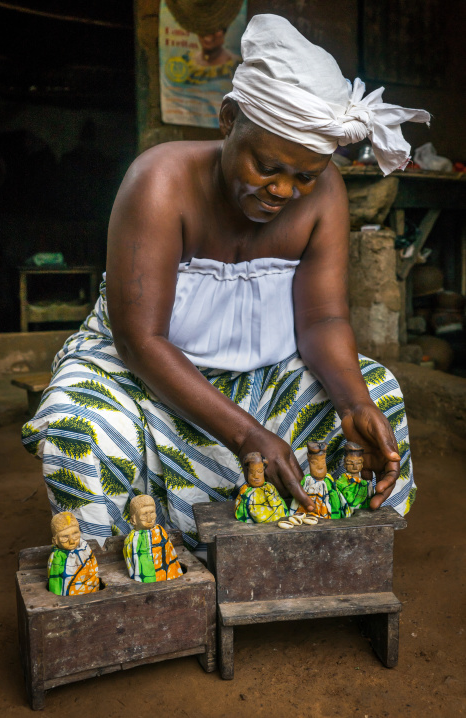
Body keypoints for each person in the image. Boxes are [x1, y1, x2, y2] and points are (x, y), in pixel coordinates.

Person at [22, 14, 427, 553]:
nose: (285, 190)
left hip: (265, 376)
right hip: (145, 377)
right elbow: (140, 341)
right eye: (268, 167)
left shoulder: (324, 194)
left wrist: (353, 404)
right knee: (79, 422)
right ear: (228, 119)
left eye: (305, 175)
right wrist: (246, 435)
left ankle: (326, 553)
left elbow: (323, 320)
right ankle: (135, 568)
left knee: (375, 390)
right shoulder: (160, 182)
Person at [124, 495, 183, 582]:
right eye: (144, 514)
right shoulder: (132, 540)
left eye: (152, 512)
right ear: (133, 520)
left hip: (167, 577)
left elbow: (170, 555)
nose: (149, 518)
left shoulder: (160, 531)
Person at [290, 441, 348, 519]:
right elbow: (298, 497)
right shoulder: (306, 480)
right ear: (309, 461)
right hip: (308, 516)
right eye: (314, 463)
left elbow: (334, 498)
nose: (320, 467)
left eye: (323, 463)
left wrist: (336, 515)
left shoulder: (328, 481)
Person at [47, 512, 100, 596]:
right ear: (55, 541)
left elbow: (94, 573)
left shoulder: (86, 550)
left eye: (75, 534)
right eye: (64, 537)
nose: (71, 541)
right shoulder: (56, 558)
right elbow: (55, 584)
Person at [235, 451, 288, 523]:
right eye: (251, 472)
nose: (256, 476)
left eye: (260, 472)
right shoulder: (245, 491)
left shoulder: (269, 489)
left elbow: (277, 504)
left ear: (264, 471)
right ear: (247, 472)